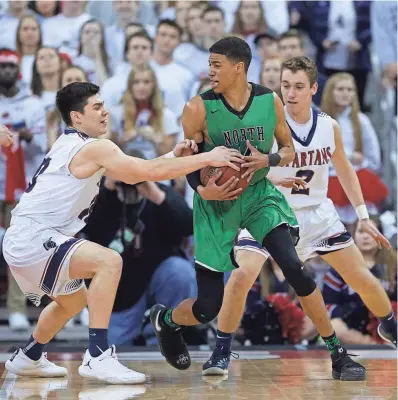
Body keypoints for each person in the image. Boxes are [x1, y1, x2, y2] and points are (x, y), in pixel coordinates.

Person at [149, 37, 364, 381]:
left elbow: (288, 150)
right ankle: (167, 320)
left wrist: (270, 159)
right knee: (207, 308)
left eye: (217, 65)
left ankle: (337, 353)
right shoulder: (197, 108)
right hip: (215, 205)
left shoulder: (269, 100)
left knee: (297, 269)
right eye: (210, 64)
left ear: (239, 68)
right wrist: (203, 188)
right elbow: (187, 162)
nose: (210, 71)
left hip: (260, 195)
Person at [1, 81, 243, 384]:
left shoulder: (74, 144)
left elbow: (138, 168)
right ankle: (98, 356)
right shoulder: (96, 147)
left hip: (28, 239)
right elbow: (143, 173)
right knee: (109, 261)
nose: (106, 113)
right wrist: (208, 157)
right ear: (77, 117)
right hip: (34, 237)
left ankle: (29, 356)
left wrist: (174, 157)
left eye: (104, 106)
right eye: (97, 108)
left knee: (74, 302)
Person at [201, 56, 396, 378]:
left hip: (317, 215)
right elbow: (245, 171)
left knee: (362, 277)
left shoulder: (328, 126)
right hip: (270, 211)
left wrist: (363, 216)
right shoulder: (263, 124)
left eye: (298, 87)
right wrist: (273, 178)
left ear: (314, 89)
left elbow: (345, 170)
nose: (290, 93)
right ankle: (221, 351)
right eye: (286, 86)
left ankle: (389, 325)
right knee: (239, 279)